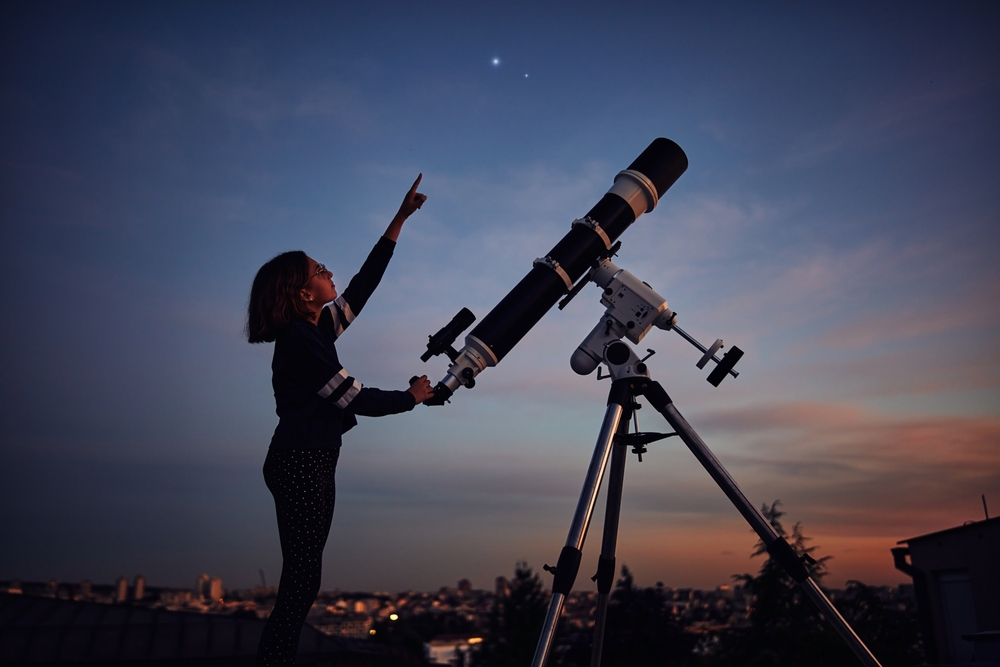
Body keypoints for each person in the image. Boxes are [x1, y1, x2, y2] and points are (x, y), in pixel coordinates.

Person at [245, 174, 434, 667]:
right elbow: (353, 398)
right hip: (301, 464)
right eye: (320, 270)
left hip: (307, 460)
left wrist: (398, 220)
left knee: (302, 579)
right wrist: (411, 398)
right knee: (301, 582)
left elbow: (363, 286)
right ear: (303, 294)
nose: (330, 273)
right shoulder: (301, 343)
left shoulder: (314, 330)